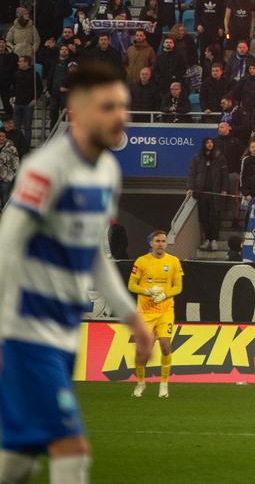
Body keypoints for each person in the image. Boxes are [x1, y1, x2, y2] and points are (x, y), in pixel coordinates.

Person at [0, 62, 155, 483]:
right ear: (77, 113)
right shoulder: (46, 169)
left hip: (64, 333)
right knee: (72, 449)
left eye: (122, 106)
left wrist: (132, 318)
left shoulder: (106, 172)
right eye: (108, 107)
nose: (120, 116)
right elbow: (7, 245)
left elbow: (93, 256)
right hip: (28, 330)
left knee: (19, 458)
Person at [127, 231, 184, 399]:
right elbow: (131, 285)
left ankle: (164, 384)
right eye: (157, 241)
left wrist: (165, 295)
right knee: (142, 352)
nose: (161, 244)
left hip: (165, 311)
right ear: (151, 243)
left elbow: (178, 287)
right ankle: (140, 383)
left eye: (163, 241)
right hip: (145, 313)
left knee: (165, 346)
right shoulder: (141, 261)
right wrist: (148, 291)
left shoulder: (173, 261)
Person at [185, 137, 228, 250]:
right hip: (201, 192)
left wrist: (224, 189)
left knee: (215, 216)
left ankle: (214, 240)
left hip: (215, 192)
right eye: (207, 142)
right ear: (204, 144)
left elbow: (225, 175)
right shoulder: (197, 157)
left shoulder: (220, 158)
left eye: (211, 142)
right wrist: (190, 187)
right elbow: (192, 173)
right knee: (204, 217)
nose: (209, 144)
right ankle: (207, 239)